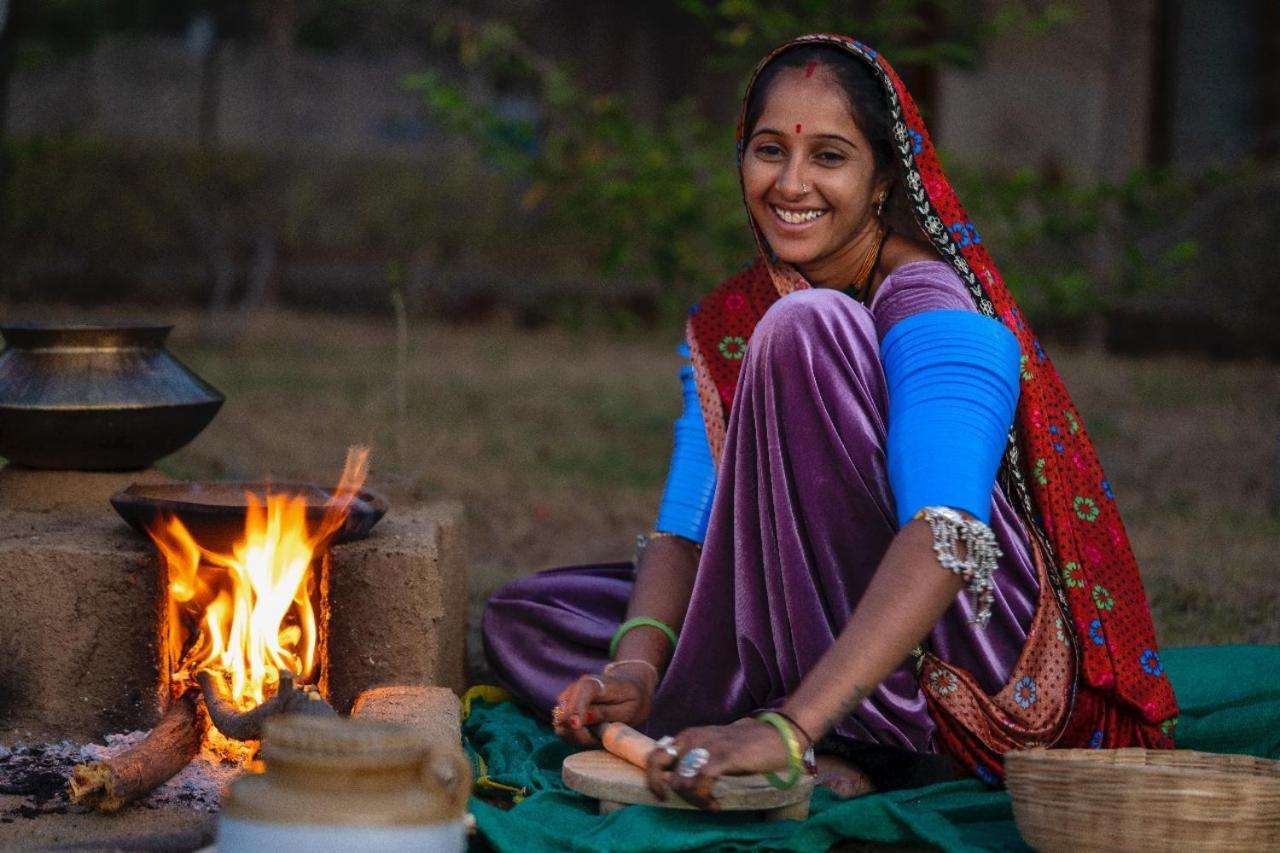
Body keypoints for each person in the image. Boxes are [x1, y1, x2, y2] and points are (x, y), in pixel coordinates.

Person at [482, 33, 1178, 809]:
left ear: (884, 178)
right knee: (527, 617)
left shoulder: (930, 302)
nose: (790, 183)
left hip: (954, 648)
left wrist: (788, 728)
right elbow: (685, 528)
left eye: (830, 158)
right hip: (809, 609)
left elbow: (947, 534)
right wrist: (636, 670)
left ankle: (862, 739)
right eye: (768, 150)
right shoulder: (731, 317)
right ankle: (777, 704)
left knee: (807, 328)